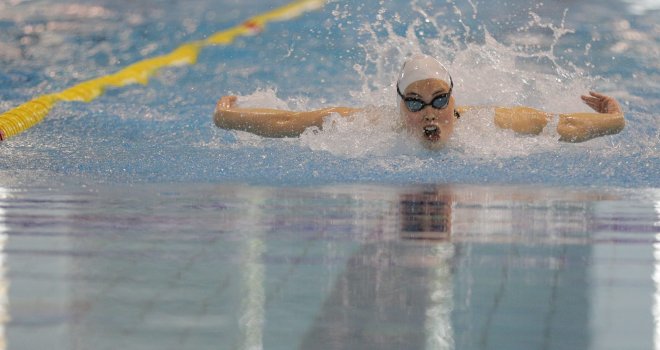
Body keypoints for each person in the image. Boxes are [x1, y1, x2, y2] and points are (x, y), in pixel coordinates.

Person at [214, 54, 625, 149]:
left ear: (453, 97)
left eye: (438, 100)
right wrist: (228, 119)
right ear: (398, 104)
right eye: (414, 103)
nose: (429, 112)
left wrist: (615, 120)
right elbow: (291, 122)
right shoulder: (367, 127)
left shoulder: (494, 123)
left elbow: (562, 125)